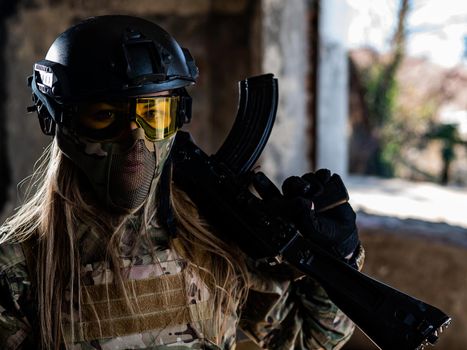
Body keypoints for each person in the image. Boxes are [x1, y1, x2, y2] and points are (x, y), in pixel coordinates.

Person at [0, 15, 364, 350]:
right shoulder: (19, 267)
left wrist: (336, 257)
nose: (136, 140)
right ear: (57, 121)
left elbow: (307, 337)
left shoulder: (213, 238)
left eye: (154, 115)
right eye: (105, 116)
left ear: (178, 117)